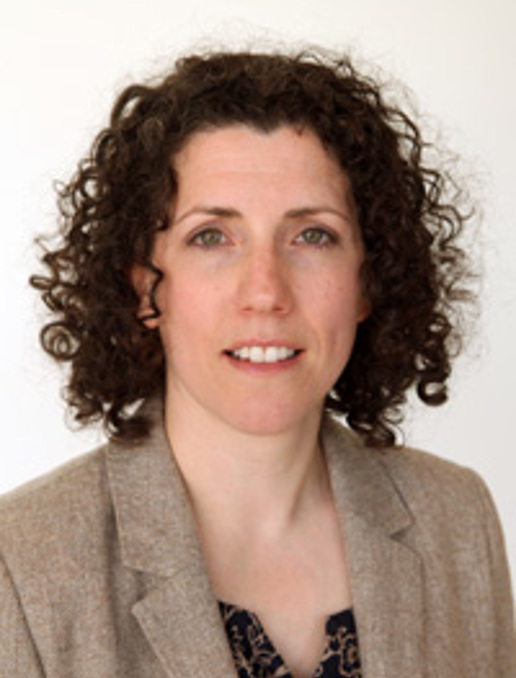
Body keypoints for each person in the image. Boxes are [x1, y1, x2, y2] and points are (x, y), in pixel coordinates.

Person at [0, 48, 513, 678]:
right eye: (211, 237)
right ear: (147, 290)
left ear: (368, 281)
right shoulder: (21, 565)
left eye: (312, 235)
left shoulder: (458, 519)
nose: (266, 291)